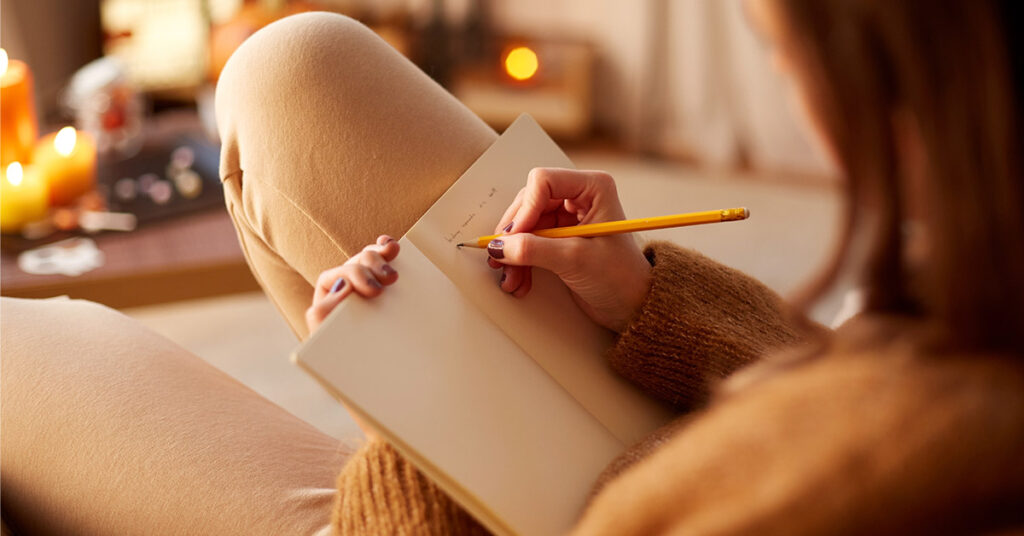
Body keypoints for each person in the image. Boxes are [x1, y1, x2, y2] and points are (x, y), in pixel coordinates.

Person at [2, 1, 1022, 534]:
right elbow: (836, 391)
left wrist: (412, 413)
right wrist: (651, 300)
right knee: (296, 68)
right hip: (664, 441)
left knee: (23, 346)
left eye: (776, 45)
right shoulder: (975, 316)